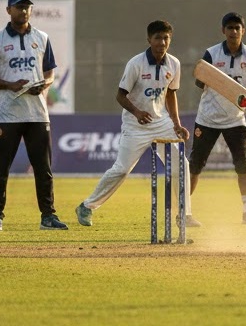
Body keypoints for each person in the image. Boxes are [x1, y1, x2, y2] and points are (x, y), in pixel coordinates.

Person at [74, 20, 192, 227]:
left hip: (161, 121)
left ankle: (184, 214)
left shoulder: (174, 63)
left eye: (166, 38)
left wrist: (176, 123)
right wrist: (137, 112)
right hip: (135, 125)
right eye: (157, 38)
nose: (162, 42)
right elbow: (120, 96)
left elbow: (171, 94)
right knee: (121, 169)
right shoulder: (136, 64)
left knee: (181, 165)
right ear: (149, 40)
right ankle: (87, 206)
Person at [0, 0, 67, 231]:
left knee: (43, 169)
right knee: (0, 169)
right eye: (19, 6)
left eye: (27, 5)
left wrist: (44, 85)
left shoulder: (42, 37)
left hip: (37, 113)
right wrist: (9, 85)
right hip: (7, 114)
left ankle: (48, 216)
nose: (24, 10)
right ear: (9, 10)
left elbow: (50, 71)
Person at [188, 12, 246, 225]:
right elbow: (200, 83)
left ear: (243, 31)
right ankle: (185, 213)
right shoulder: (211, 54)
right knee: (195, 166)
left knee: (243, 165)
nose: (233, 32)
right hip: (208, 118)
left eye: (237, 28)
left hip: (235, 119)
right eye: (229, 28)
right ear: (223, 31)